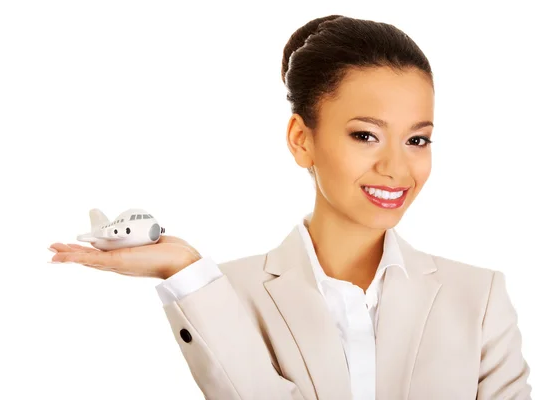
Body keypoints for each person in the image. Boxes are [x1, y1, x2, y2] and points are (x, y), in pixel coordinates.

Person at [48, 14, 531, 400]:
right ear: (302, 140)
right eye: (366, 135)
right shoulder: (223, 294)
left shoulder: (479, 298)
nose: (397, 168)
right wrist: (186, 270)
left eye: (417, 139)